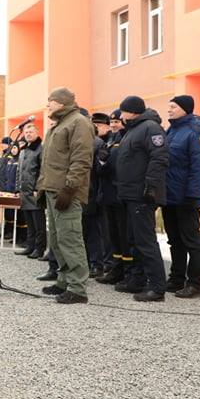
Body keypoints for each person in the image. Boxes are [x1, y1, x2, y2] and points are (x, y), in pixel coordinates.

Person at [35, 87, 94, 304]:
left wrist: (70, 189)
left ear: (61, 102)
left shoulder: (78, 123)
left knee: (70, 238)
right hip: (52, 190)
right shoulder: (58, 125)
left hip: (66, 192)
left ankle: (78, 288)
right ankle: (63, 280)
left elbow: (81, 160)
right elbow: (49, 162)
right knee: (57, 239)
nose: (47, 104)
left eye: (50, 101)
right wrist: (43, 187)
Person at [115, 95, 170, 302]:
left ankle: (157, 287)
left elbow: (160, 157)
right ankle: (137, 280)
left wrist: (151, 187)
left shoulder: (150, 128)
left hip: (142, 195)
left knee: (146, 241)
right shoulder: (133, 129)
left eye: (123, 111)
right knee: (135, 240)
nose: (120, 115)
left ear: (133, 111)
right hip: (130, 194)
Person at [164, 95, 200, 299]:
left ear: (185, 109)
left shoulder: (197, 133)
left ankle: (194, 282)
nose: (169, 110)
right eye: (169, 107)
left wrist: (193, 194)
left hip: (186, 197)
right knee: (174, 240)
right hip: (169, 195)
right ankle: (177, 278)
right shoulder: (171, 131)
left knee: (191, 240)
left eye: (173, 107)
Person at [97, 110, 129, 285]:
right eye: (112, 122)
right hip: (108, 194)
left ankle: (127, 271)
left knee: (124, 236)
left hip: (120, 195)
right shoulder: (111, 140)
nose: (114, 125)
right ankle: (116, 269)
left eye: (117, 121)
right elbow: (104, 169)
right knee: (113, 236)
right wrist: (102, 162)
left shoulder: (126, 138)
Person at [85, 113, 112, 278]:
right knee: (90, 230)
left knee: (98, 231)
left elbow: (99, 170)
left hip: (97, 192)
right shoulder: (95, 141)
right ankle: (94, 262)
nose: (96, 127)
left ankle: (99, 263)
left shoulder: (99, 143)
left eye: (99, 125)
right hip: (91, 192)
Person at [16, 123, 47, 261]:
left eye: (31, 131)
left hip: (34, 192)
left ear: (37, 132)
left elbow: (42, 171)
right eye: (26, 132)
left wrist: (37, 189)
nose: (28, 134)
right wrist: (17, 188)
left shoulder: (41, 149)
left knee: (38, 222)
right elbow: (19, 172)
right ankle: (30, 245)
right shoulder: (23, 150)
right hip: (24, 192)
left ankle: (39, 248)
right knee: (29, 221)